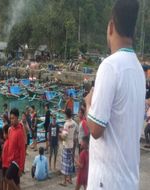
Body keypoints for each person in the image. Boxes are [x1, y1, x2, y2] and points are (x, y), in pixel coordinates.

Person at [84, 1, 145, 189]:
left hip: (107, 182)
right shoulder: (138, 70)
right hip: (128, 181)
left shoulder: (110, 66)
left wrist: (88, 103)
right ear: (133, 31)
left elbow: (95, 129)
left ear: (111, 26)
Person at [5, 108, 26, 190]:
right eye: (10, 118)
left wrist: (21, 168)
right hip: (10, 160)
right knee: (16, 183)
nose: (11, 120)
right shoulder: (11, 129)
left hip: (16, 162)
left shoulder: (20, 132)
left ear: (17, 118)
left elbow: (22, 151)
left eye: (13, 118)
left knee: (7, 178)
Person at [60, 109, 77, 186]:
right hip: (72, 144)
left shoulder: (66, 124)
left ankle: (64, 181)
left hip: (66, 145)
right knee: (70, 162)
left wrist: (60, 135)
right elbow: (76, 132)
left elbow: (64, 136)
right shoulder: (74, 123)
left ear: (66, 115)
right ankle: (70, 179)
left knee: (65, 163)